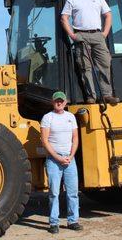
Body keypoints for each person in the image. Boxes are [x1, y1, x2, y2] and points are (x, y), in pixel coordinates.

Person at [60, 0, 119, 105]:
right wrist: (72, 35)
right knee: (84, 67)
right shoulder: (73, 0)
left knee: (105, 63)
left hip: (98, 35)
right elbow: (64, 18)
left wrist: (104, 33)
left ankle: (107, 95)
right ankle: (91, 96)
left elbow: (108, 15)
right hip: (81, 35)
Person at [40, 91, 82, 234]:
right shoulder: (47, 118)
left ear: (65, 103)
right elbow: (45, 140)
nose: (59, 103)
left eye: (61, 101)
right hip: (54, 160)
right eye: (57, 101)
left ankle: (73, 221)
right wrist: (57, 157)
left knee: (73, 192)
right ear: (52, 102)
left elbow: (75, 138)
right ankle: (54, 223)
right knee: (54, 192)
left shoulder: (70, 117)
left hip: (70, 160)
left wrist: (71, 156)